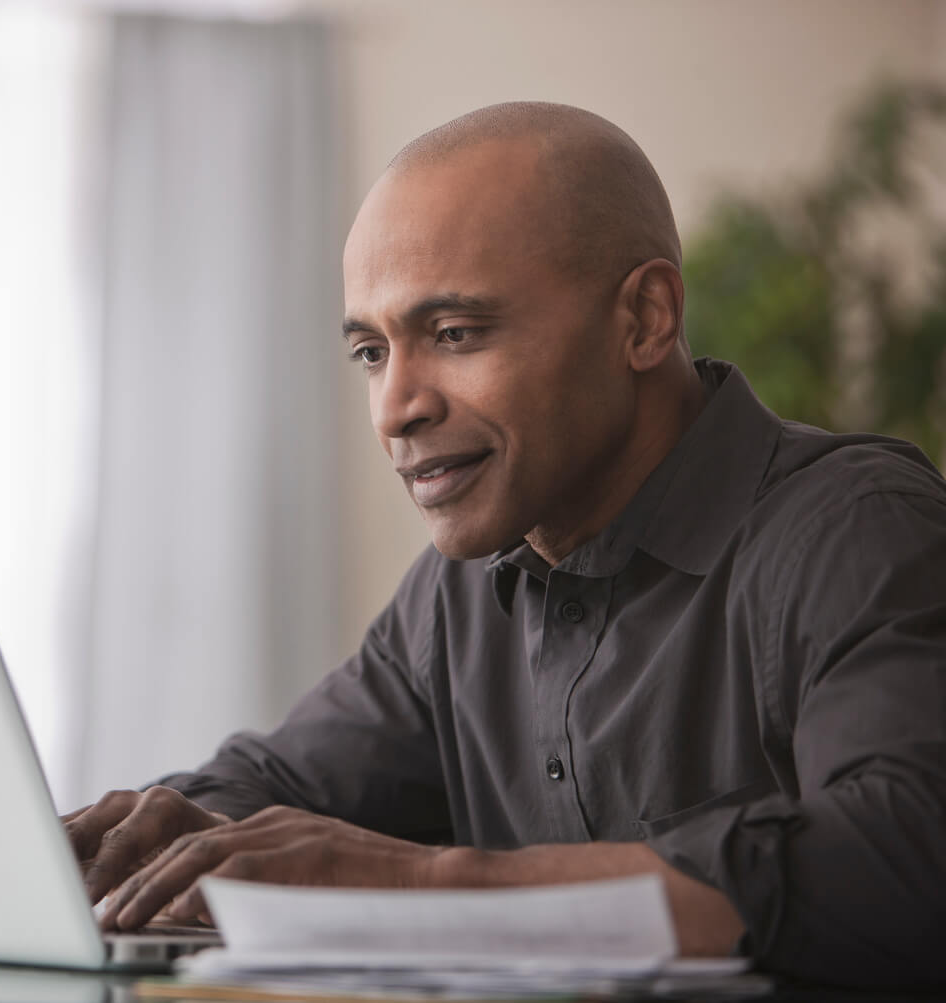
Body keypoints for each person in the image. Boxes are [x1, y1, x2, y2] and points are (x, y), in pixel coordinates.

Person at [62, 102, 946, 987]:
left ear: (644, 318)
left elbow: (903, 861)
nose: (395, 407)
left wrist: (421, 879)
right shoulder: (458, 594)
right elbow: (270, 789)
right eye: (372, 351)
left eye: (454, 334)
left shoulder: (857, 529)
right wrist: (149, 844)